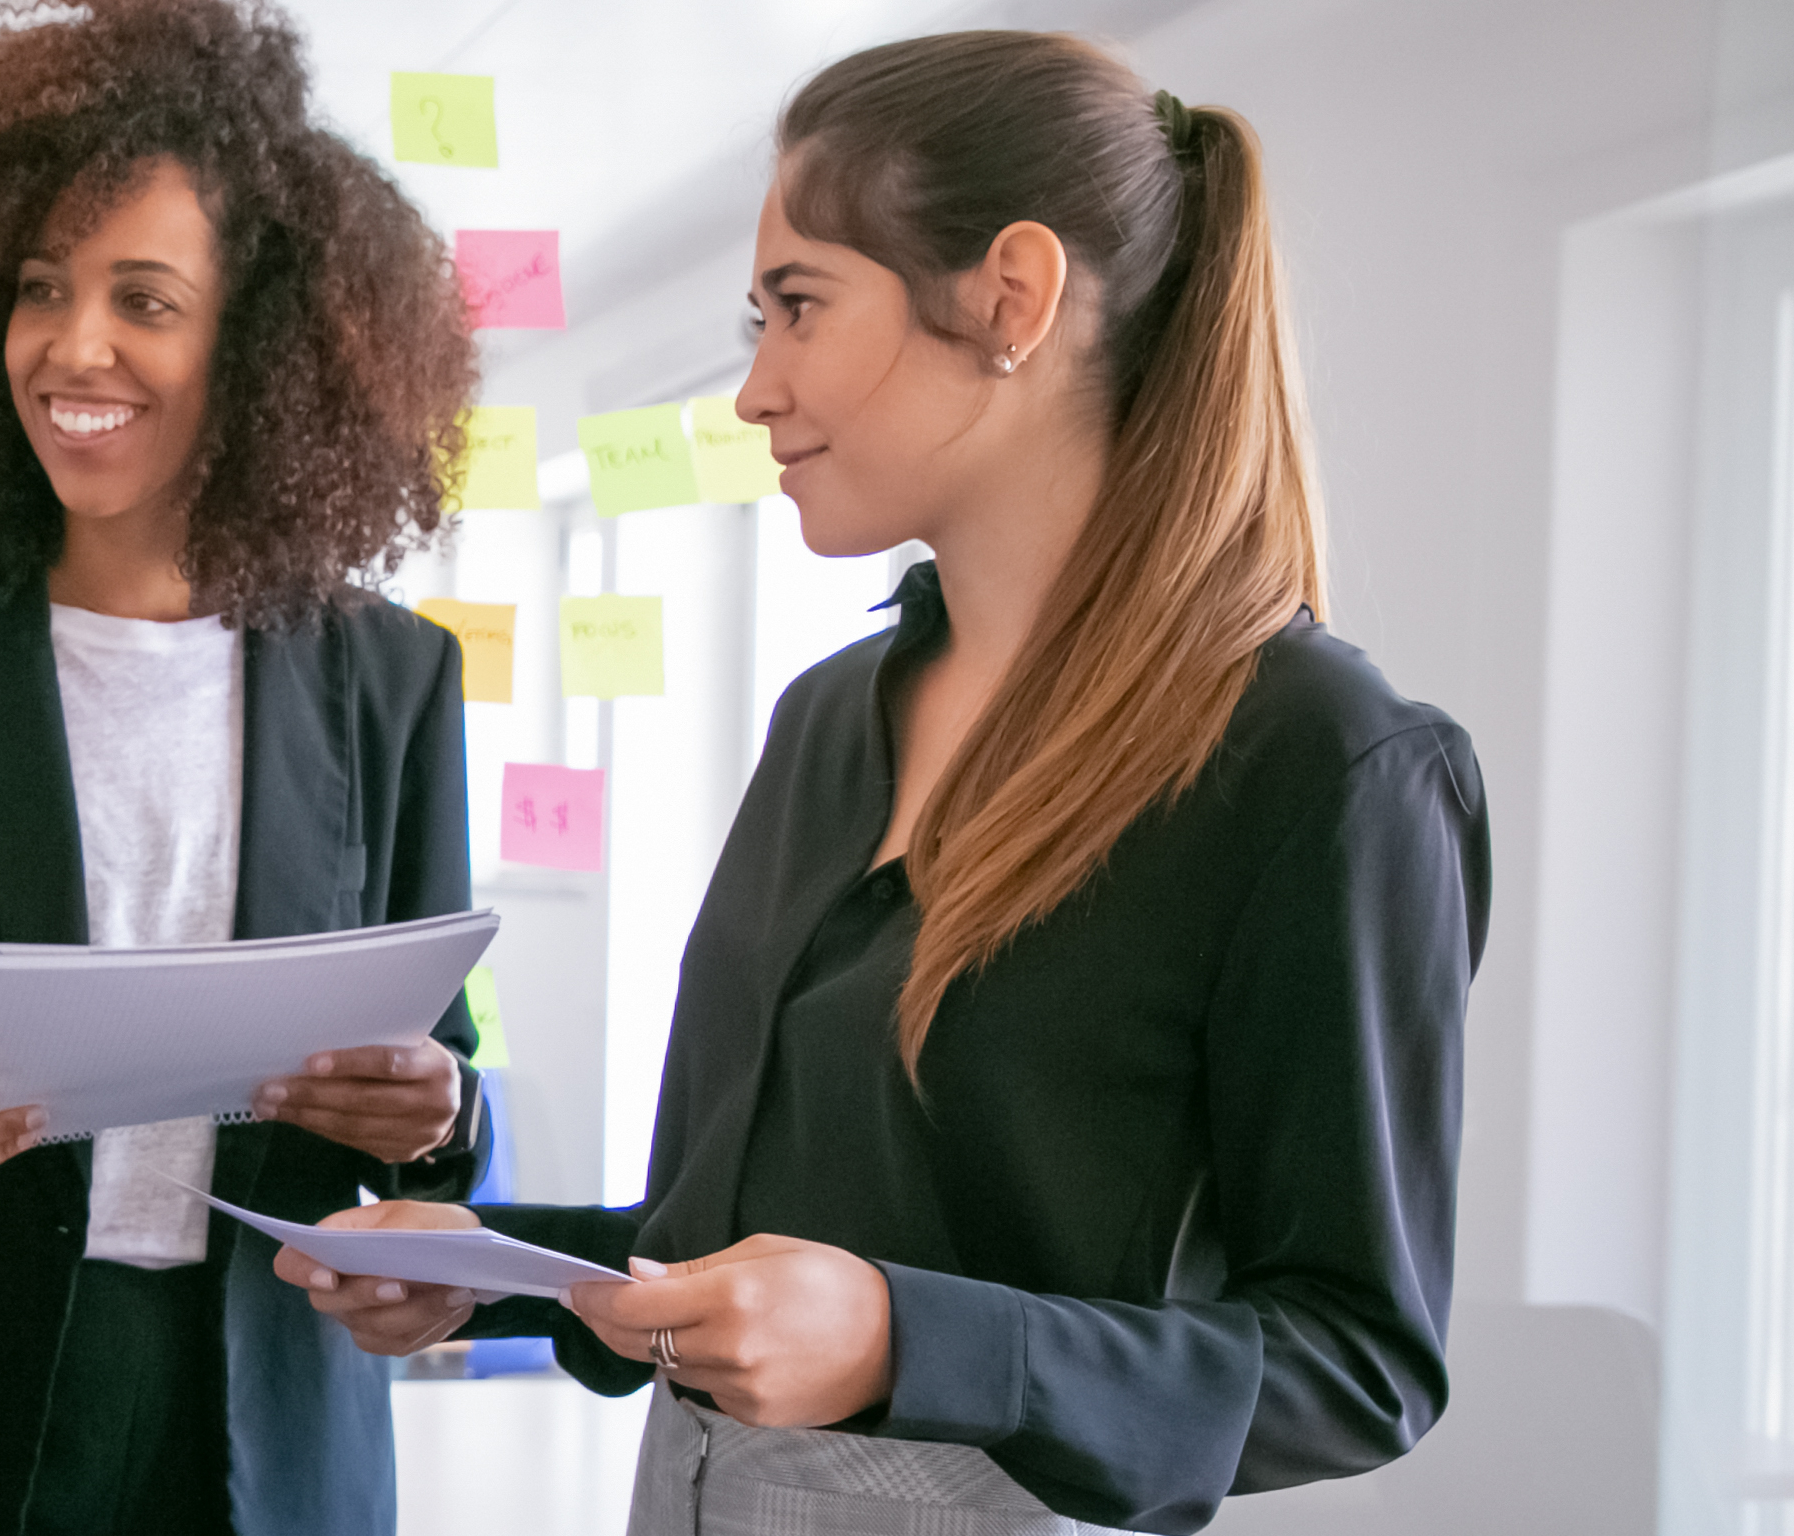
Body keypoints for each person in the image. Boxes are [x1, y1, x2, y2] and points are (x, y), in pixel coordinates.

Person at [280, 31, 1485, 1536]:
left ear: (1010, 300)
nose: (751, 392)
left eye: (796, 308)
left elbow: (1355, 1360)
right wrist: (484, 1269)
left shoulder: (1318, 763)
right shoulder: (827, 719)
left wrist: (907, 1340)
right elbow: (721, 1238)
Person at [0, 3, 487, 1532]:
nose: (70, 347)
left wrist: (441, 1114)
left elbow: (442, 1085)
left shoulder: (393, 678)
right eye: (36, 290)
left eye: (142, 299)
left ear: (260, 337)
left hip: (274, 1419)